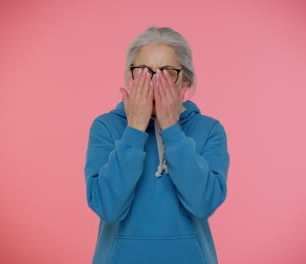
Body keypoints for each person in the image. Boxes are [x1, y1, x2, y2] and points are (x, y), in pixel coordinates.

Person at [84, 26, 230, 264]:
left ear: (185, 81)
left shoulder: (209, 130)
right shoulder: (106, 127)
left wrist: (172, 129)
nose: (153, 83)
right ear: (130, 77)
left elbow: (203, 204)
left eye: (166, 73)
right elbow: (108, 208)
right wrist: (134, 130)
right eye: (143, 72)